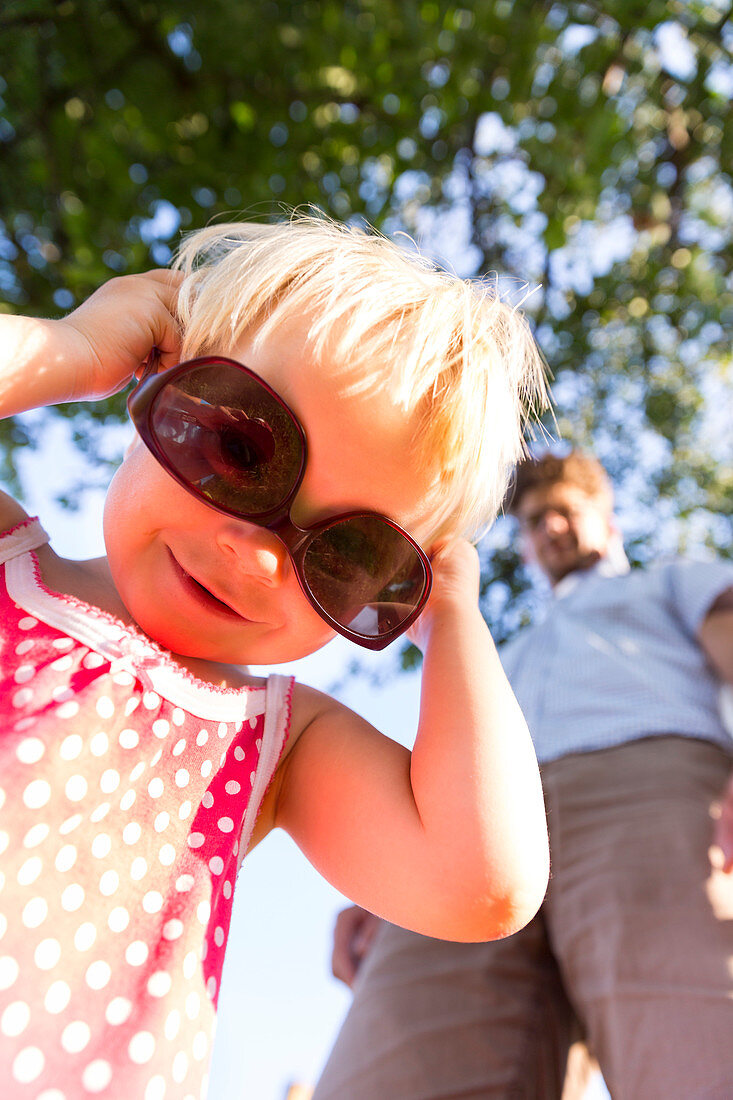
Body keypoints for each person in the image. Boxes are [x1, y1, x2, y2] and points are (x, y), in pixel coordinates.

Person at [0, 214, 551, 1098]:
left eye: (348, 557)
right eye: (237, 448)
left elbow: (482, 883)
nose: (256, 555)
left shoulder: (277, 743)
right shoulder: (7, 566)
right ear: (154, 373)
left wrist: (453, 618)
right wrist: (69, 349)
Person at [314, 450, 733, 1100]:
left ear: (608, 520)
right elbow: (447, 747)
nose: (549, 529)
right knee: (395, 1061)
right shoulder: (498, 652)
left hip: (648, 792)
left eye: (564, 511)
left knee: (694, 1036)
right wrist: (377, 884)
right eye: (534, 522)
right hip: (477, 825)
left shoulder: (666, 585)